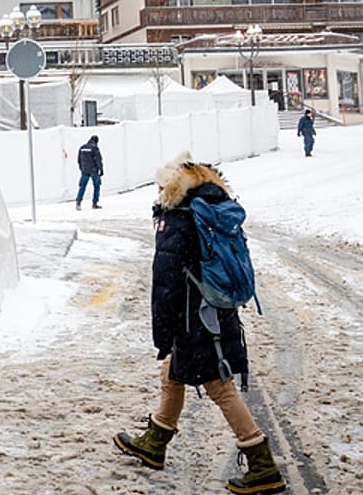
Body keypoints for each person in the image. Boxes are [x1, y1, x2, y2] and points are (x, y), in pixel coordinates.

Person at [113, 152, 286, 494]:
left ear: (170, 185)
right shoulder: (213, 207)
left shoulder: (179, 217)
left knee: (219, 386)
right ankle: (155, 443)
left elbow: (165, 282)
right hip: (216, 311)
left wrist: (163, 334)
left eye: (160, 185)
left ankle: (262, 464)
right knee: (173, 374)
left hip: (193, 318)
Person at [75, 135, 104, 210]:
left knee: (82, 186)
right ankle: (95, 203)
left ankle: (78, 202)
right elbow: (98, 159)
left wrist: (82, 168)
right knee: (97, 186)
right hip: (93, 170)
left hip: (85, 170)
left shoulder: (82, 147)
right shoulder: (95, 148)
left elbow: (79, 160)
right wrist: (101, 169)